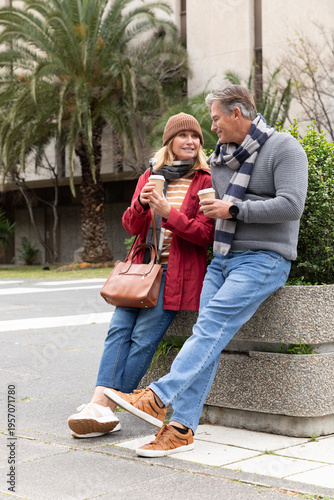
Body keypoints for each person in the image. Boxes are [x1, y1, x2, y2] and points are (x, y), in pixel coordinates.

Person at [104, 85, 309, 457]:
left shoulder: (284, 148)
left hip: (265, 258)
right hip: (224, 257)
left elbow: (292, 206)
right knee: (207, 338)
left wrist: (233, 209)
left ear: (237, 113)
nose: (211, 127)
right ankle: (181, 430)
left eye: (215, 118)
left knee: (211, 324)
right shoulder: (219, 159)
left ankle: (158, 396)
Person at [67, 113, 215, 438]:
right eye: (183, 136)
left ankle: (105, 407)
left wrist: (169, 214)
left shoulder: (205, 179)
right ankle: (101, 404)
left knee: (143, 339)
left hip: (174, 276)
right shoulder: (151, 173)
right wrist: (144, 206)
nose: (190, 141)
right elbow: (131, 227)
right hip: (139, 271)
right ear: (169, 141)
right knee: (117, 332)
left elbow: (205, 235)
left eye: (195, 136)